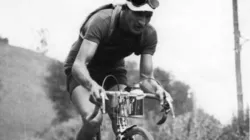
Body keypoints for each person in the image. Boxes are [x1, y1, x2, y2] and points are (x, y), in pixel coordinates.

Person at [64, 0, 173, 139]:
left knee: (121, 121)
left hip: (113, 71)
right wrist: (92, 86)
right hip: (82, 69)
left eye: (148, 16)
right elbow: (79, 65)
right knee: (93, 120)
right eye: (138, 14)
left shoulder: (149, 34)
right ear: (126, 9)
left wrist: (158, 90)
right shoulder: (102, 21)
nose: (142, 22)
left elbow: (146, 80)